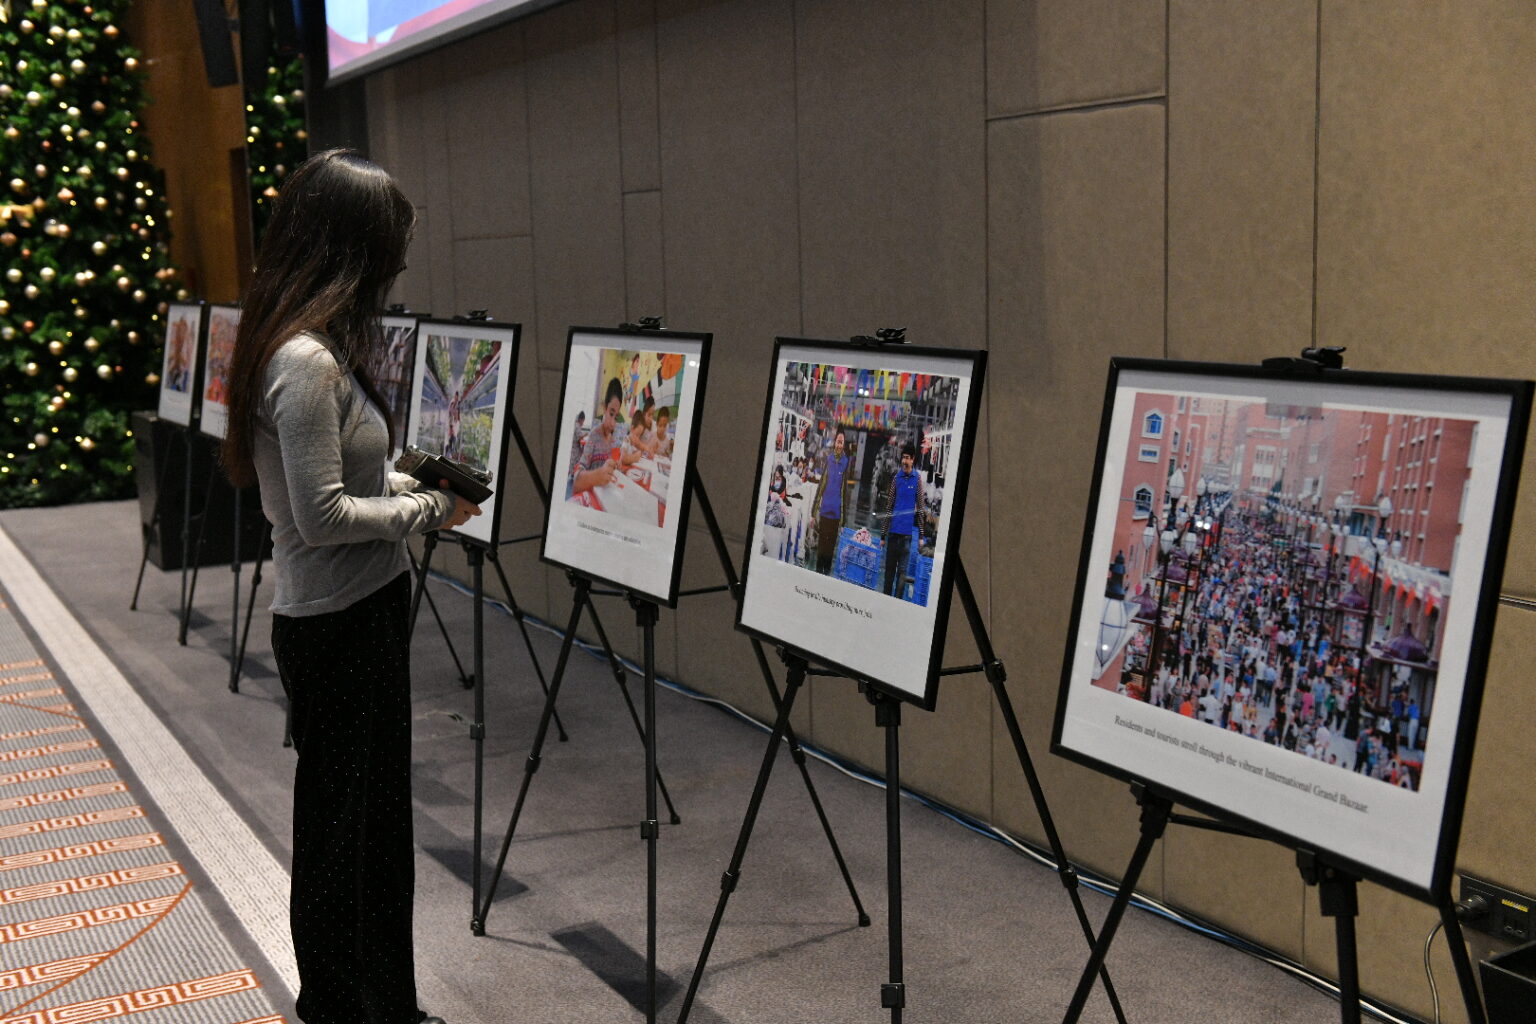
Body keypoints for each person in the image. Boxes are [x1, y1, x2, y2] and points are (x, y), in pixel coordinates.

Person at [221, 150, 478, 1024]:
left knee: (375, 829)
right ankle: (338, 1008)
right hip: (336, 625)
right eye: (388, 252)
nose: (396, 271)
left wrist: (412, 486)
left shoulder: (314, 346)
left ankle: (386, 1006)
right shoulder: (305, 360)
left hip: (362, 611)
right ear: (350, 249)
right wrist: (429, 512)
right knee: (342, 834)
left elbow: (344, 482)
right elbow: (324, 514)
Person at [571, 378, 638, 496]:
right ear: (604, 408)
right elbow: (576, 482)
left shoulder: (612, 439)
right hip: (590, 496)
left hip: (604, 496)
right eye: (611, 413)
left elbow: (608, 464)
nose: (613, 423)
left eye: (616, 417)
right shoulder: (594, 436)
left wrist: (614, 465)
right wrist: (597, 475)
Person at [881, 445, 927, 599]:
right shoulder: (896, 479)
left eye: (908, 458)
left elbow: (920, 508)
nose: (904, 461)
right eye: (903, 458)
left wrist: (921, 536)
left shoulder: (917, 480)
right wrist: (883, 535)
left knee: (901, 577)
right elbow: (889, 507)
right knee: (888, 575)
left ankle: (896, 604)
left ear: (913, 460)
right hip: (893, 535)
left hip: (907, 537)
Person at [811, 428, 854, 575]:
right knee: (822, 545)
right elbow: (821, 485)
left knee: (830, 548)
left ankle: (826, 574)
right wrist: (813, 512)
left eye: (842, 442)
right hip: (824, 511)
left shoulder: (846, 463)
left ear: (843, 444)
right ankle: (818, 573)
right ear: (834, 442)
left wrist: (843, 521)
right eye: (838, 441)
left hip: (836, 514)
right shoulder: (828, 460)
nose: (839, 444)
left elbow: (844, 492)